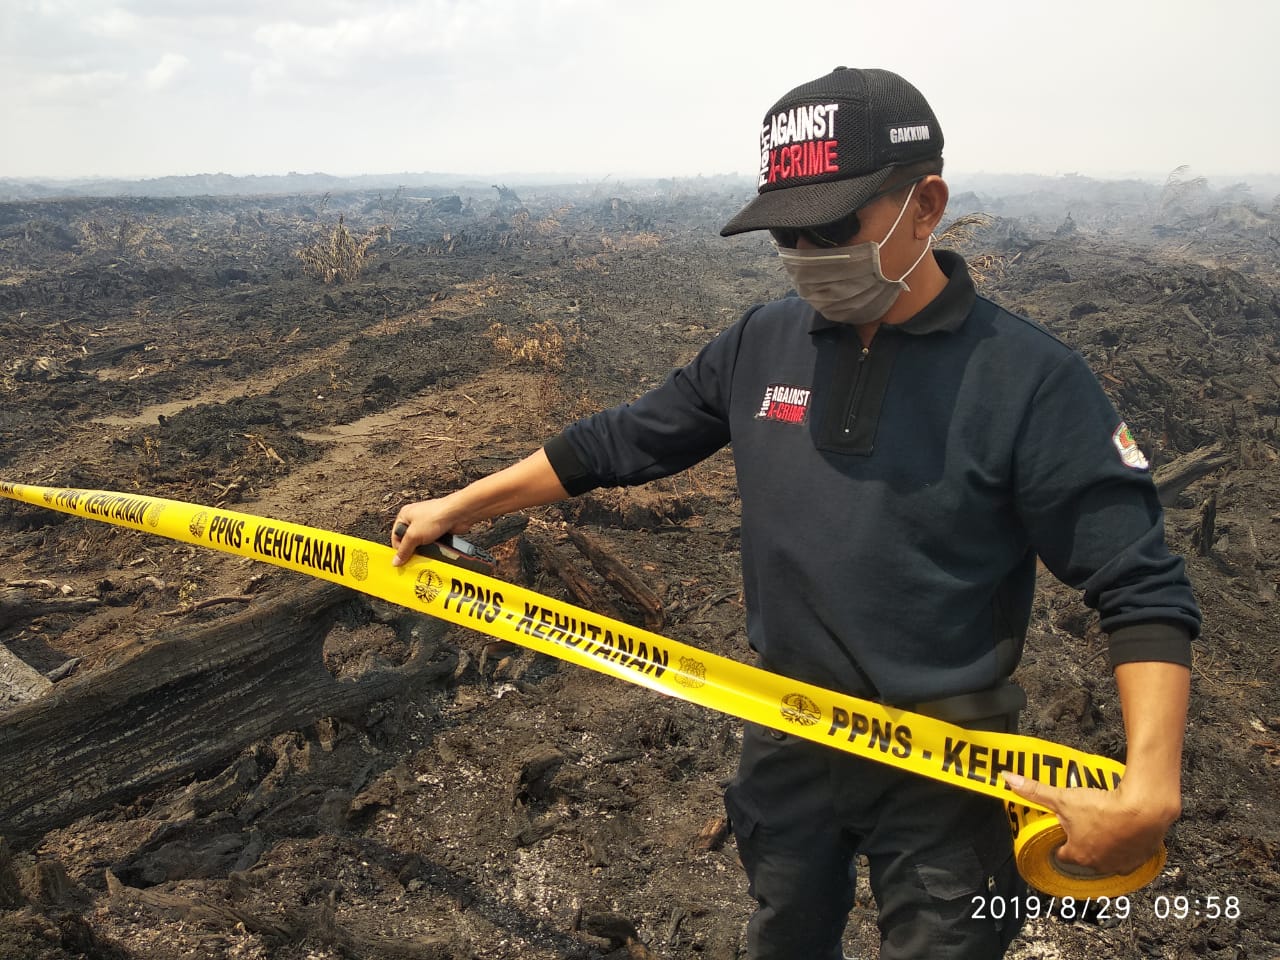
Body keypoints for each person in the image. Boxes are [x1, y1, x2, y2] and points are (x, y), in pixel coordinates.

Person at [390, 66, 1201, 960]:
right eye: (790, 231)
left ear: (924, 205)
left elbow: (1139, 585)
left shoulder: (1030, 380)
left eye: (833, 226)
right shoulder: (764, 341)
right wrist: (456, 504)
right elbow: (620, 443)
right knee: (782, 933)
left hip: (949, 765)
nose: (810, 253)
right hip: (786, 729)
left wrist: (1151, 787)